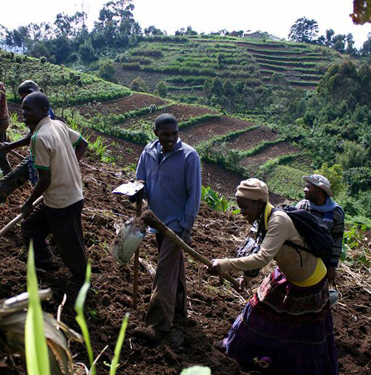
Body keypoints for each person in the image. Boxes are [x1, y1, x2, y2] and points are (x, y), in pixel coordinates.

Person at [207, 178, 338, 375]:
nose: (242, 213)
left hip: (309, 281)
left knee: (302, 333)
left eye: (244, 207)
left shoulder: (278, 221)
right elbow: (257, 249)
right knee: (256, 309)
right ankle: (235, 347)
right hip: (286, 274)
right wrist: (247, 278)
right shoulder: (262, 219)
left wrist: (224, 264)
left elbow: (262, 257)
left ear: (259, 203)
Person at [133, 113, 201, 342]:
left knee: (164, 271)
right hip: (156, 220)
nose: (170, 138)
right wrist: (135, 192)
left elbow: (194, 195)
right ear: (156, 134)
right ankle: (180, 310)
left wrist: (187, 227)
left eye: (174, 134)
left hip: (176, 224)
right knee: (174, 268)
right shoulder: (148, 152)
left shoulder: (189, 156)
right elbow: (140, 181)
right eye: (165, 134)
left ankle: (157, 325)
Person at [20, 92, 88, 282]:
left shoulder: (39, 138)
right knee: (31, 228)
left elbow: (44, 180)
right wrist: (68, 165)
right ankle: (46, 264)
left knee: (70, 248)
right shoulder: (57, 124)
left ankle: (84, 284)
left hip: (61, 203)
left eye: (28, 109)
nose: (23, 113)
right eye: (23, 109)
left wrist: (29, 202)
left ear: (43, 110)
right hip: (70, 195)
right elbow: (82, 144)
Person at [0, 80, 55, 213]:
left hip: (42, 157)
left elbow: (33, 136)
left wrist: (12, 145)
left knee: (10, 182)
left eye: (23, 97)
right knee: (13, 182)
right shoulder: (43, 108)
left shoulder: (43, 112)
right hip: (42, 155)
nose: (23, 104)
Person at [296, 174, 345, 283]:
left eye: (308, 187)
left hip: (322, 262)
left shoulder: (336, 212)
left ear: (319, 190)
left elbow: (337, 239)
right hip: (300, 259)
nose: (304, 189)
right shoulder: (302, 207)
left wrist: (332, 266)